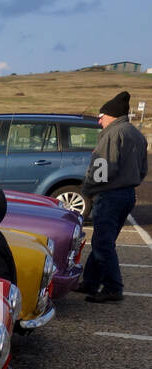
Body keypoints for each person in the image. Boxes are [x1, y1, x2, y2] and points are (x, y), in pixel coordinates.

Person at [78, 90, 148, 303]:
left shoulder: (112, 134)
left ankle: (113, 287)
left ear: (112, 116)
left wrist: (87, 189)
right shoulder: (137, 135)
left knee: (102, 243)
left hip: (109, 196)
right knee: (104, 240)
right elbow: (142, 170)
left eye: (101, 116)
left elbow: (102, 170)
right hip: (127, 195)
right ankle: (90, 281)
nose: (100, 120)